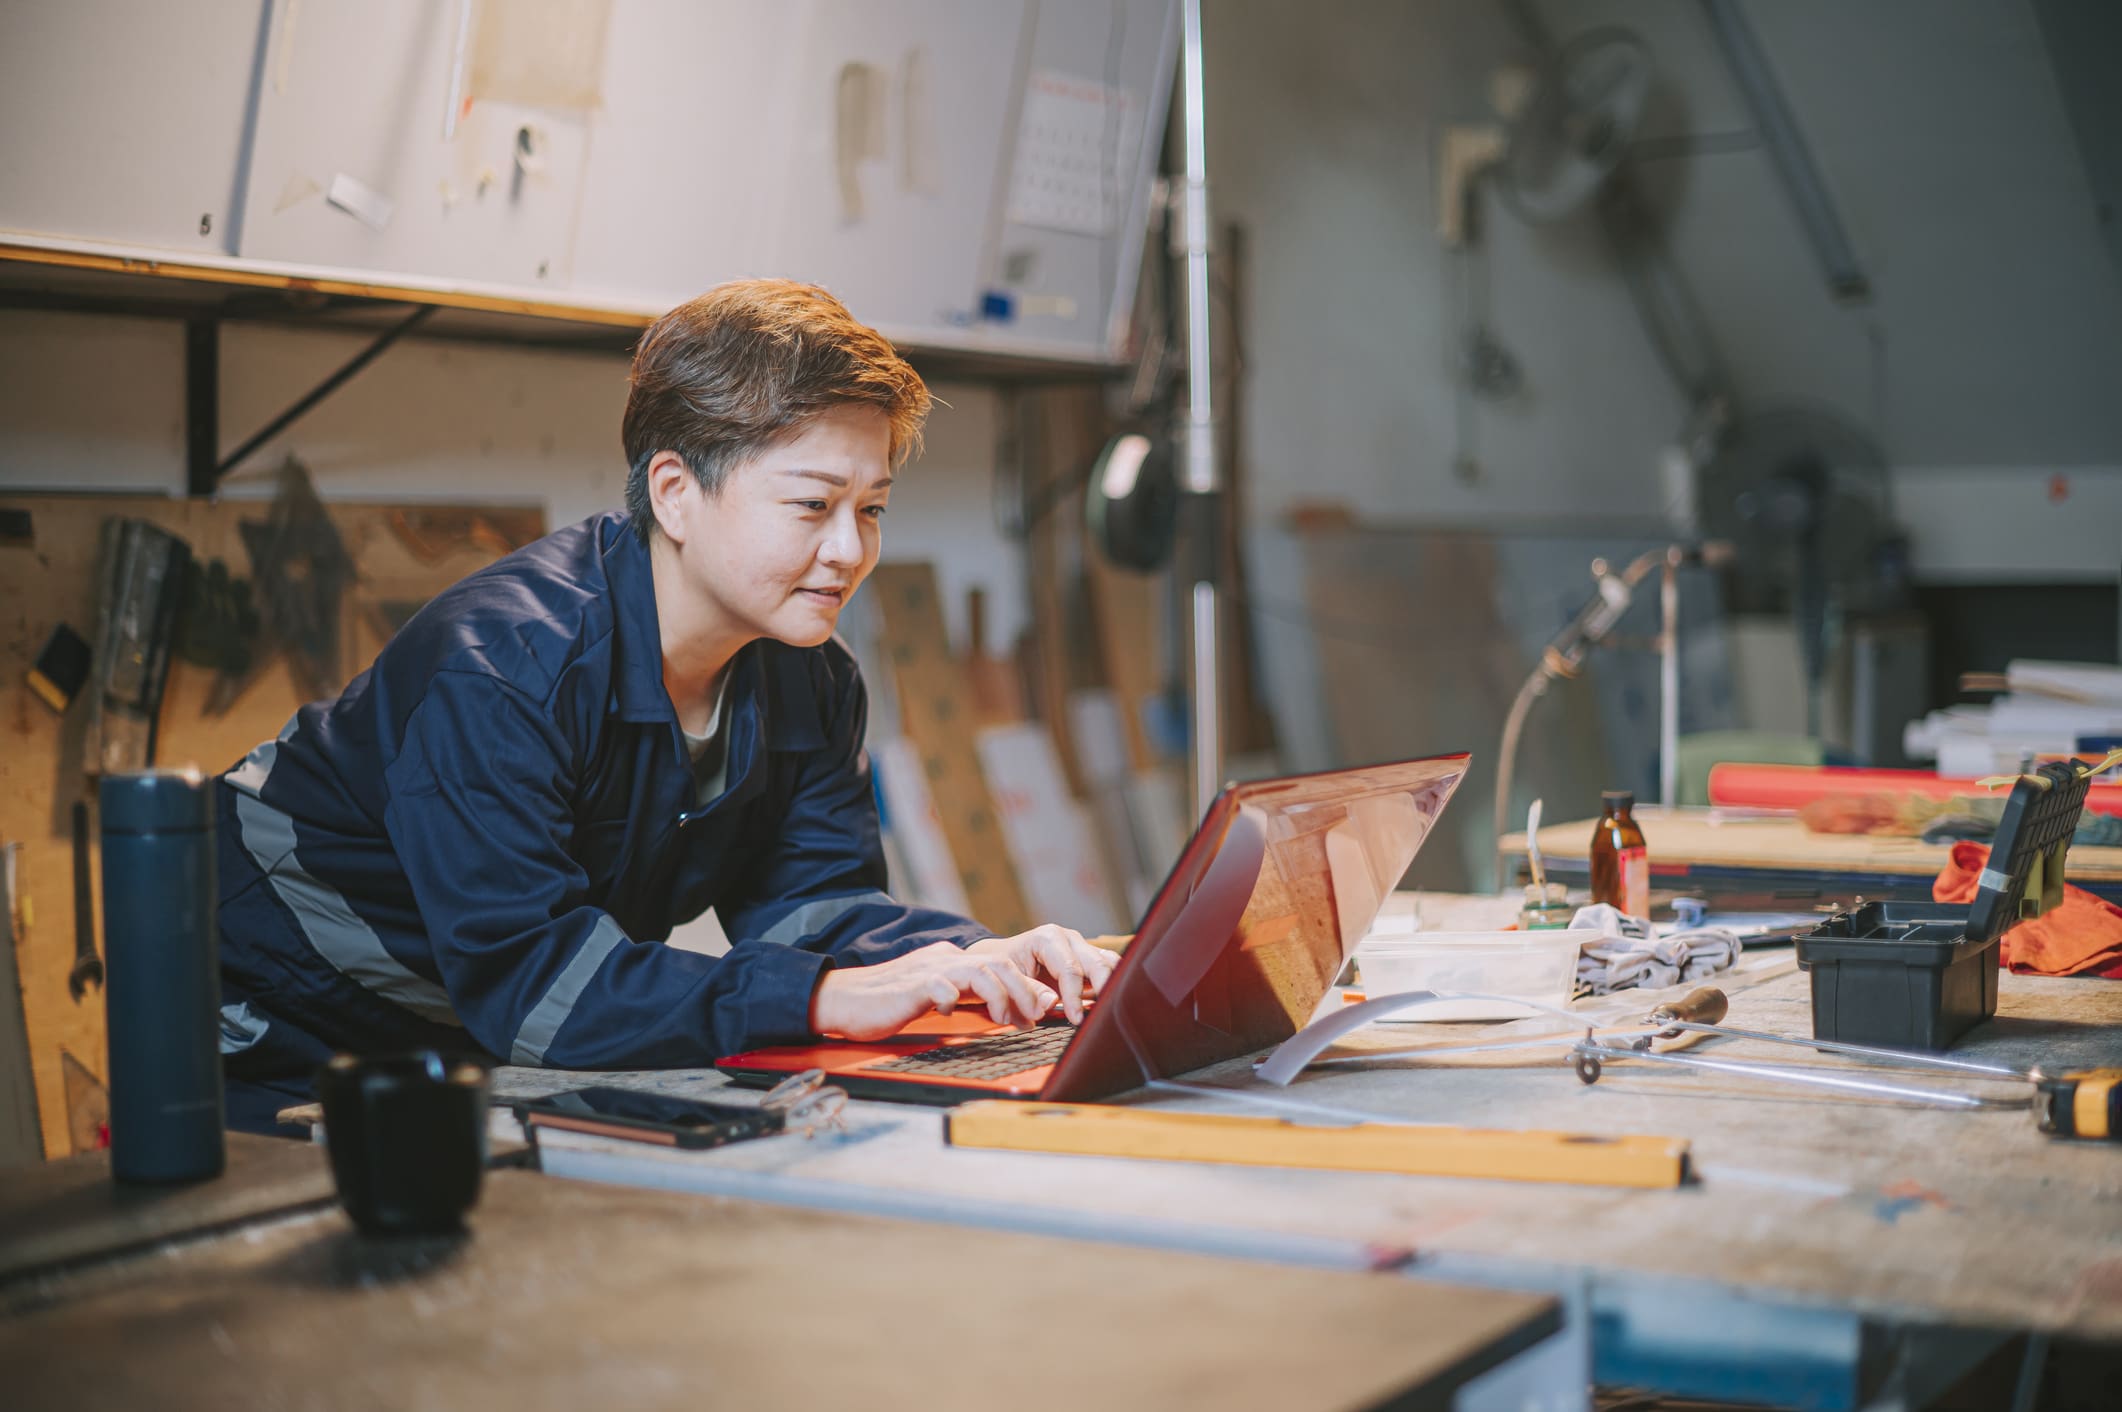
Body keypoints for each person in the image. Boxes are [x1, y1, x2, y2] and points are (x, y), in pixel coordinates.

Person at [214, 279, 1116, 1133]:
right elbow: (538, 990)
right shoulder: (501, 669)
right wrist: (816, 999)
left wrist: (977, 962)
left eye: (871, 508)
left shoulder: (811, 677)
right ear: (676, 494)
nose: (849, 550)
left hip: (468, 1026)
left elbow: (815, 906)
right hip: (278, 1009)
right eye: (812, 505)